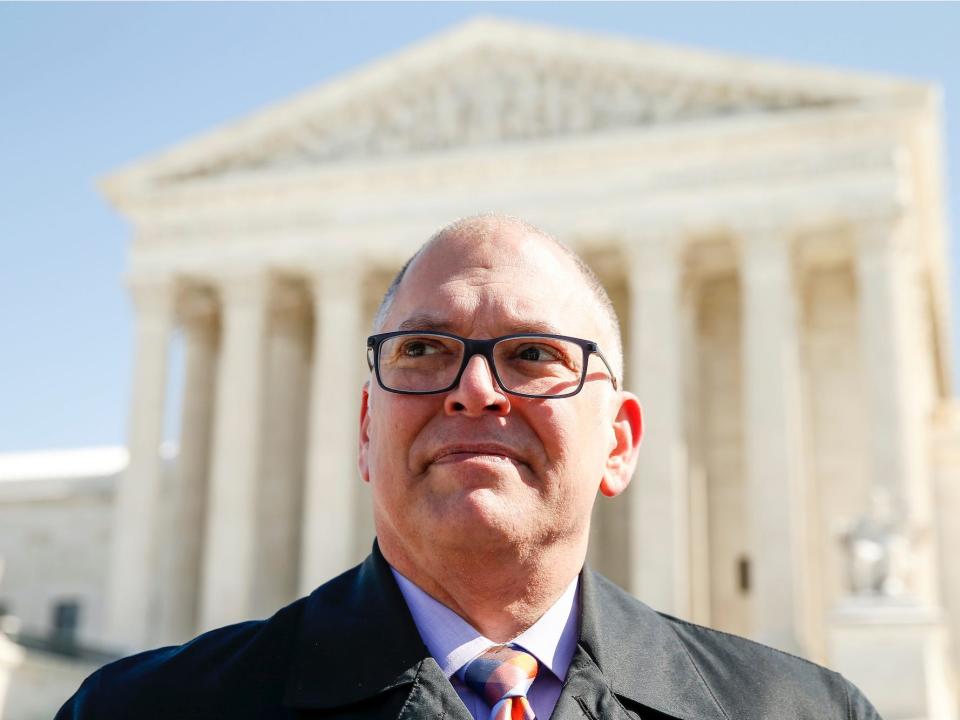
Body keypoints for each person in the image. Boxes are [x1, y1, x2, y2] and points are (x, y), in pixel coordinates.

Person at [58, 215, 881, 719]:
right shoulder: (143, 710)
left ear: (620, 442)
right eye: (422, 350)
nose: (474, 391)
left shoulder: (804, 712)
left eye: (532, 354)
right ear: (364, 428)